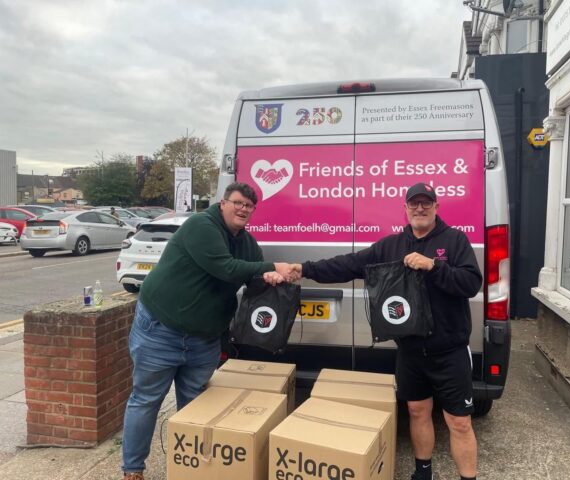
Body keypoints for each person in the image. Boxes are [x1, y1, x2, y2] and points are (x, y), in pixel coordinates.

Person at [288, 182, 482, 480]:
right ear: (405, 208)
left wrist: (434, 266)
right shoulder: (391, 245)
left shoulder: (455, 241)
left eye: (426, 203)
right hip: (410, 351)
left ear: (436, 207)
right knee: (417, 411)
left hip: (449, 350)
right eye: (414, 203)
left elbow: (471, 284)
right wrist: (304, 269)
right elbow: (348, 265)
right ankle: (423, 473)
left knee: (459, 422)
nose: (420, 208)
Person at [120, 182, 297, 480]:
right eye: (238, 202)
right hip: (161, 329)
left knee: (196, 404)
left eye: (249, 206)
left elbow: (252, 279)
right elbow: (225, 267)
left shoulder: (247, 243)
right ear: (223, 203)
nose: (243, 209)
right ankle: (133, 470)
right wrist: (273, 265)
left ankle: (190, 467)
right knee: (147, 399)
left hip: (204, 339)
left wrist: (269, 277)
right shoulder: (201, 225)